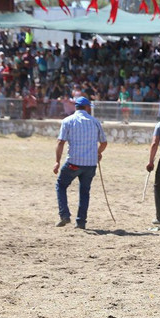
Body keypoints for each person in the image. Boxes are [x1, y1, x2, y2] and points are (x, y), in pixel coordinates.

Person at [53, 96, 108, 229]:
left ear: (75, 107)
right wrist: (98, 153)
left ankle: (64, 215)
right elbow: (104, 143)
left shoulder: (68, 121)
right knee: (84, 192)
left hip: (73, 162)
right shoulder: (95, 121)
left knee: (61, 185)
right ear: (87, 107)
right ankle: (81, 222)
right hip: (90, 164)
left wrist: (57, 162)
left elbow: (60, 142)